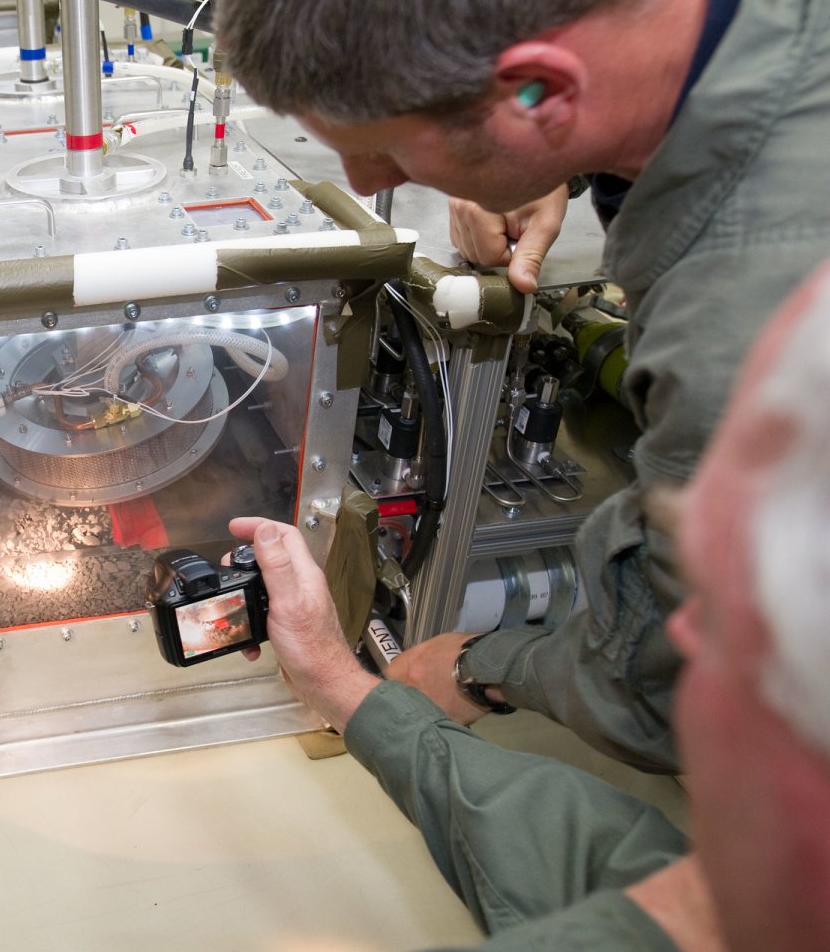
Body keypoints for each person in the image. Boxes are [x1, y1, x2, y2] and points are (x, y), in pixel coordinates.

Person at [217, 0, 830, 773]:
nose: (360, 183)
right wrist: (562, 155)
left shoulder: (751, 332)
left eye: (384, 147)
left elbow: (669, 691)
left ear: (543, 90)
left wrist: (479, 669)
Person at [229, 257, 830, 951]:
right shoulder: (707, 889)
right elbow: (586, 846)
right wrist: (343, 684)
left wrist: (483, 668)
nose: (686, 619)